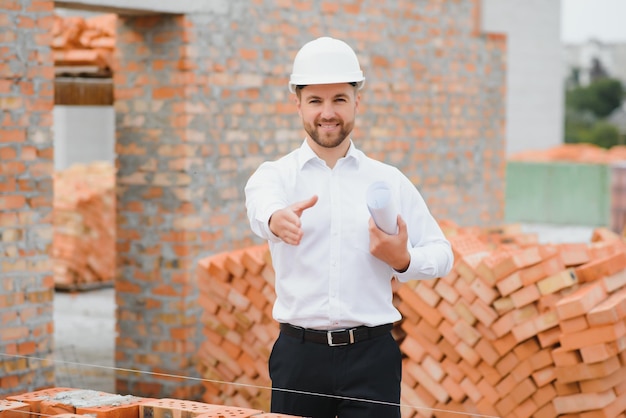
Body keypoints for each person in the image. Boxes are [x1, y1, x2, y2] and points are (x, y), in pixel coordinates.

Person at [244, 36, 454, 418]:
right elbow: (261, 205)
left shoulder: (389, 180)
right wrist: (277, 219)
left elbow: (443, 254)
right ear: (297, 104)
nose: (328, 112)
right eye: (315, 101)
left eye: (339, 99)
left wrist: (403, 260)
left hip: (371, 358)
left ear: (358, 101)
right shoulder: (274, 176)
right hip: (298, 358)